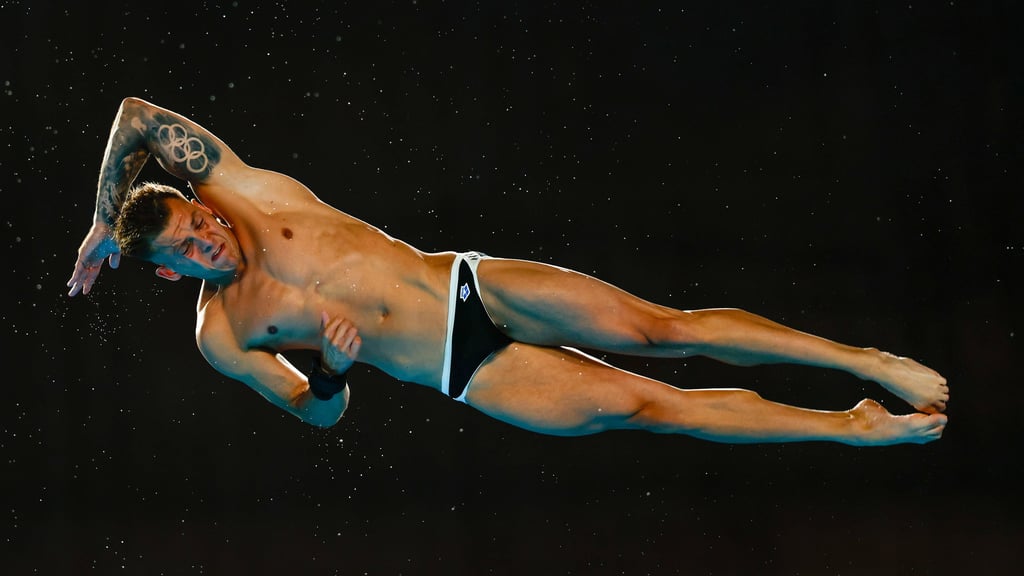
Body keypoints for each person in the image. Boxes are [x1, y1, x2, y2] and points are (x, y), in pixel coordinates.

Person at [68, 97, 949, 445]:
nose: (210, 235)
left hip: (467, 285)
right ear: (170, 276)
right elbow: (315, 413)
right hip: (466, 371)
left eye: (198, 218)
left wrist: (104, 222)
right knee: (656, 410)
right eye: (187, 246)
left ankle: (864, 361)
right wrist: (333, 368)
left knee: (662, 330)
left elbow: (139, 116)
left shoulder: (248, 190)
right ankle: (856, 425)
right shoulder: (224, 334)